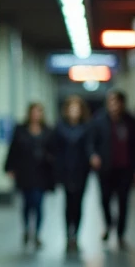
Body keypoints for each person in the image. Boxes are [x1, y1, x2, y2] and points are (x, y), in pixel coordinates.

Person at [88, 90, 135, 250]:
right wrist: (93, 155)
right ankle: (108, 224)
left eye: (116, 102)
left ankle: (120, 234)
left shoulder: (132, 122)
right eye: (110, 102)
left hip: (125, 168)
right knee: (105, 199)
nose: (113, 106)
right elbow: (92, 141)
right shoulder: (99, 121)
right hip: (105, 168)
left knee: (123, 201)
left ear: (122, 104)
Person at [3, 102, 56, 249]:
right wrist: (9, 167)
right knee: (27, 203)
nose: (36, 115)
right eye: (34, 112)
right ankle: (27, 229)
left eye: (39, 112)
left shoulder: (48, 131)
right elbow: (13, 149)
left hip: (41, 172)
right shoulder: (21, 130)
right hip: (25, 171)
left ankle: (37, 233)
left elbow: (54, 151)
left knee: (38, 203)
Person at [52, 95, 92, 251]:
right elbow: (55, 149)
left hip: (81, 171)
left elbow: (90, 148)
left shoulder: (87, 127)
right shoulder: (60, 128)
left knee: (78, 203)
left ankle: (76, 233)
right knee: (68, 202)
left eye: (77, 109)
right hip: (66, 171)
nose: (74, 112)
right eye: (71, 109)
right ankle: (69, 233)